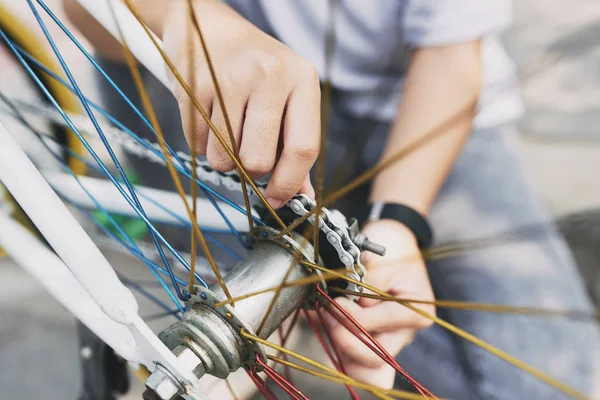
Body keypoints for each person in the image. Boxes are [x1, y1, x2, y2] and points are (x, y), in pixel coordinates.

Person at [64, 1, 600, 398]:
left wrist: (399, 224)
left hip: (410, 104)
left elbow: (453, 58)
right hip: (208, 93)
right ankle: (260, 297)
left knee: (547, 383)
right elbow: (83, 15)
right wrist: (193, 22)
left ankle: (316, 299)